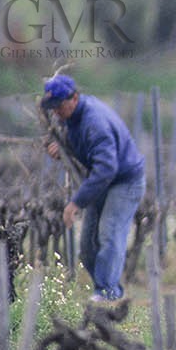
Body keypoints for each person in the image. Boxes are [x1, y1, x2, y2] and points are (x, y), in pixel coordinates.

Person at [41, 75, 146, 303]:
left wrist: (76, 202)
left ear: (74, 98)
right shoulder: (70, 118)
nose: (55, 111)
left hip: (125, 181)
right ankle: (109, 290)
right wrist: (62, 148)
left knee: (110, 233)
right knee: (87, 246)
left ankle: (106, 293)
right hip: (103, 180)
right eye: (52, 107)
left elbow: (107, 168)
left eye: (59, 105)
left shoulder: (95, 122)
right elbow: (85, 148)